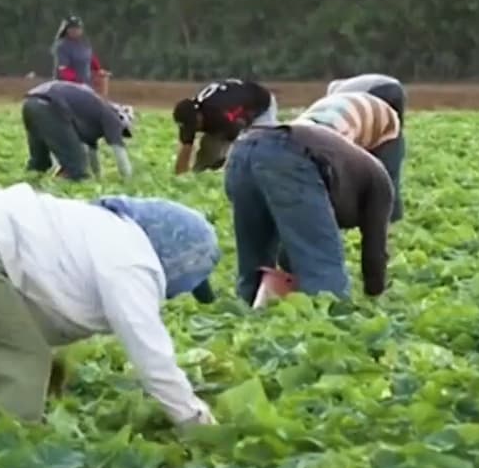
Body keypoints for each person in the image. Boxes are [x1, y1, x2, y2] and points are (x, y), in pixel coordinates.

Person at [0, 182, 220, 428]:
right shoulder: (134, 261)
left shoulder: (97, 229)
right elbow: (151, 356)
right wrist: (194, 420)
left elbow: (24, 305)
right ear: (171, 257)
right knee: (19, 366)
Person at [225, 120, 394, 304]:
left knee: (254, 261)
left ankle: (251, 308)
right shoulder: (380, 184)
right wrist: (374, 294)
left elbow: (295, 238)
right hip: (288, 153)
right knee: (322, 267)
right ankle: (327, 316)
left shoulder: (351, 169)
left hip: (241, 150)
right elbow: (375, 250)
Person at [294, 90, 405, 222]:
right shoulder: (289, 134)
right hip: (347, 113)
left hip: (383, 125)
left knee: (384, 189)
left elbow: (345, 181)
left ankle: (390, 226)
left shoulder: (338, 141)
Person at [21, 80, 135, 181]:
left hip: (30, 103)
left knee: (39, 163)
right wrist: (128, 178)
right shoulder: (112, 117)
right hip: (51, 105)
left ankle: (29, 182)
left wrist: (97, 178)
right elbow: (119, 151)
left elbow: (92, 152)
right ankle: (63, 187)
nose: (120, 133)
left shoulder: (95, 115)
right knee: (76, 169)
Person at [172, 79, 277, 174]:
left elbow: (238, 140)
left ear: (199, 117)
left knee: (256, 150)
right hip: (229, 109)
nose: (195, 129)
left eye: (194, 125)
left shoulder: (221, 115)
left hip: (260, 104)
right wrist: (180, 177)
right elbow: (186, 147)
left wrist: (224, 165)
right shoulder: (190, 114)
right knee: (207, 153)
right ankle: (201, 175)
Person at [326, 73, 406, 122]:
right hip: (396, 86)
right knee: (395, 124)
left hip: (378, 89)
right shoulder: (349, 86)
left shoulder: (339, 96)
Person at [51, 15, 99, 86]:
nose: (75, 30)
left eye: (77, 28)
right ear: (66, 30)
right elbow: (63, 69)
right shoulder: (62, 46)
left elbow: (90, 58)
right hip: (66, 86)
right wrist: (78, 80)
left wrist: (98, 70)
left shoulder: (85, 44)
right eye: (72, 28)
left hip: (85, 85)